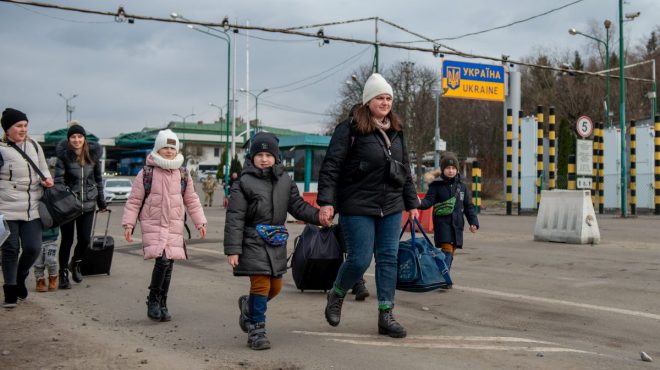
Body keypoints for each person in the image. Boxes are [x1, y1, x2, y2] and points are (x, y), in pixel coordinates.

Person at [317, 73, 420, 338]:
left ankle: (386, 315)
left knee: (388, 259)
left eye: (388, 98)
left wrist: (412, 202)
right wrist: (327, 202)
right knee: (360, 259)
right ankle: (337, 294)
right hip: (357, 205)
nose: (385, 102)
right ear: (368, 101)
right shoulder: (349, 129)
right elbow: (331, 167)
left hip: (392, 205)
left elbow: (404, 169)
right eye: (380, 97)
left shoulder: (397, 130)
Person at [224, 132, 328, 350]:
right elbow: (235, 217)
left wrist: (317, 216)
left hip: (275, 240)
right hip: (252, 240)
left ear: (276, 157)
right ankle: (257, 332)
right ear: (252, 157)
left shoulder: (285, 180)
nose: (264, 159)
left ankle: (248, 306)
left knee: (276, 287)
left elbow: (297, 206)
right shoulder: (244, 182)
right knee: (261, 284)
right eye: (259, 154)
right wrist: (233, 249)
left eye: (268, 154)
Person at [122, 129, 207, 322]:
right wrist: (128, 224)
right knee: (162, 260)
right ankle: (153, 300)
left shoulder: (183, 173)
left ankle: (163, 302)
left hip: (174, 224)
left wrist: (199, 221)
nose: (169, 151)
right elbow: (134, 201)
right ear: (157, 149)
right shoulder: (146, 173)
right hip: (154, 223)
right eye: (165, 147)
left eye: (172, 147)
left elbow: (192, 200)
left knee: (169, 264)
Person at [0, 108, 54, 308]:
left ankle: (21, 276)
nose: (23, 129)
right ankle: (11, 290)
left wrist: (47, 179)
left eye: (25, 125)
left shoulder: (33, 145)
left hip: (32, 207)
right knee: (10, 249)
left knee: (33, 248)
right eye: (18, 126)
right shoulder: (1, 149)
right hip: (6, 209)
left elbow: (43, 168)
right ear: (7, 129)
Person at [54, 123, 106, 289]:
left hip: (88, 204)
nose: (76, 140)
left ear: (84, 138)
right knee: (67, 240)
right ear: (69, 139)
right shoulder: (63, 157)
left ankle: (75, 263)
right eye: (73, 137)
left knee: (84, 239)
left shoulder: (92, 155)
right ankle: (62, 273)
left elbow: (98, 179)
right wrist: (68, 197)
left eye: (79, 137)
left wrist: (101, 202)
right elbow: (59, 181)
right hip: (69, 205)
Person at [419, 152, 479, 278]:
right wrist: (417, 202)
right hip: (442, 224)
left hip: (457, 225)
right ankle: (443, 278)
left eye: (453, 168)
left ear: (457, 170)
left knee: (451, 252)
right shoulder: (436, 186)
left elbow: (469, 206)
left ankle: (441, 274)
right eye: (448, 168)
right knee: (447, 250)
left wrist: (473, 222)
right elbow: (428, 202)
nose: (451, 171)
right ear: (443, 169)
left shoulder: (462, 186)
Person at [34, 226, 59, 292]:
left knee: (51, 260)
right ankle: (40, 280)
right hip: (36, 238)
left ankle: (52, 278)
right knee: (38, 262)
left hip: (51, 239)